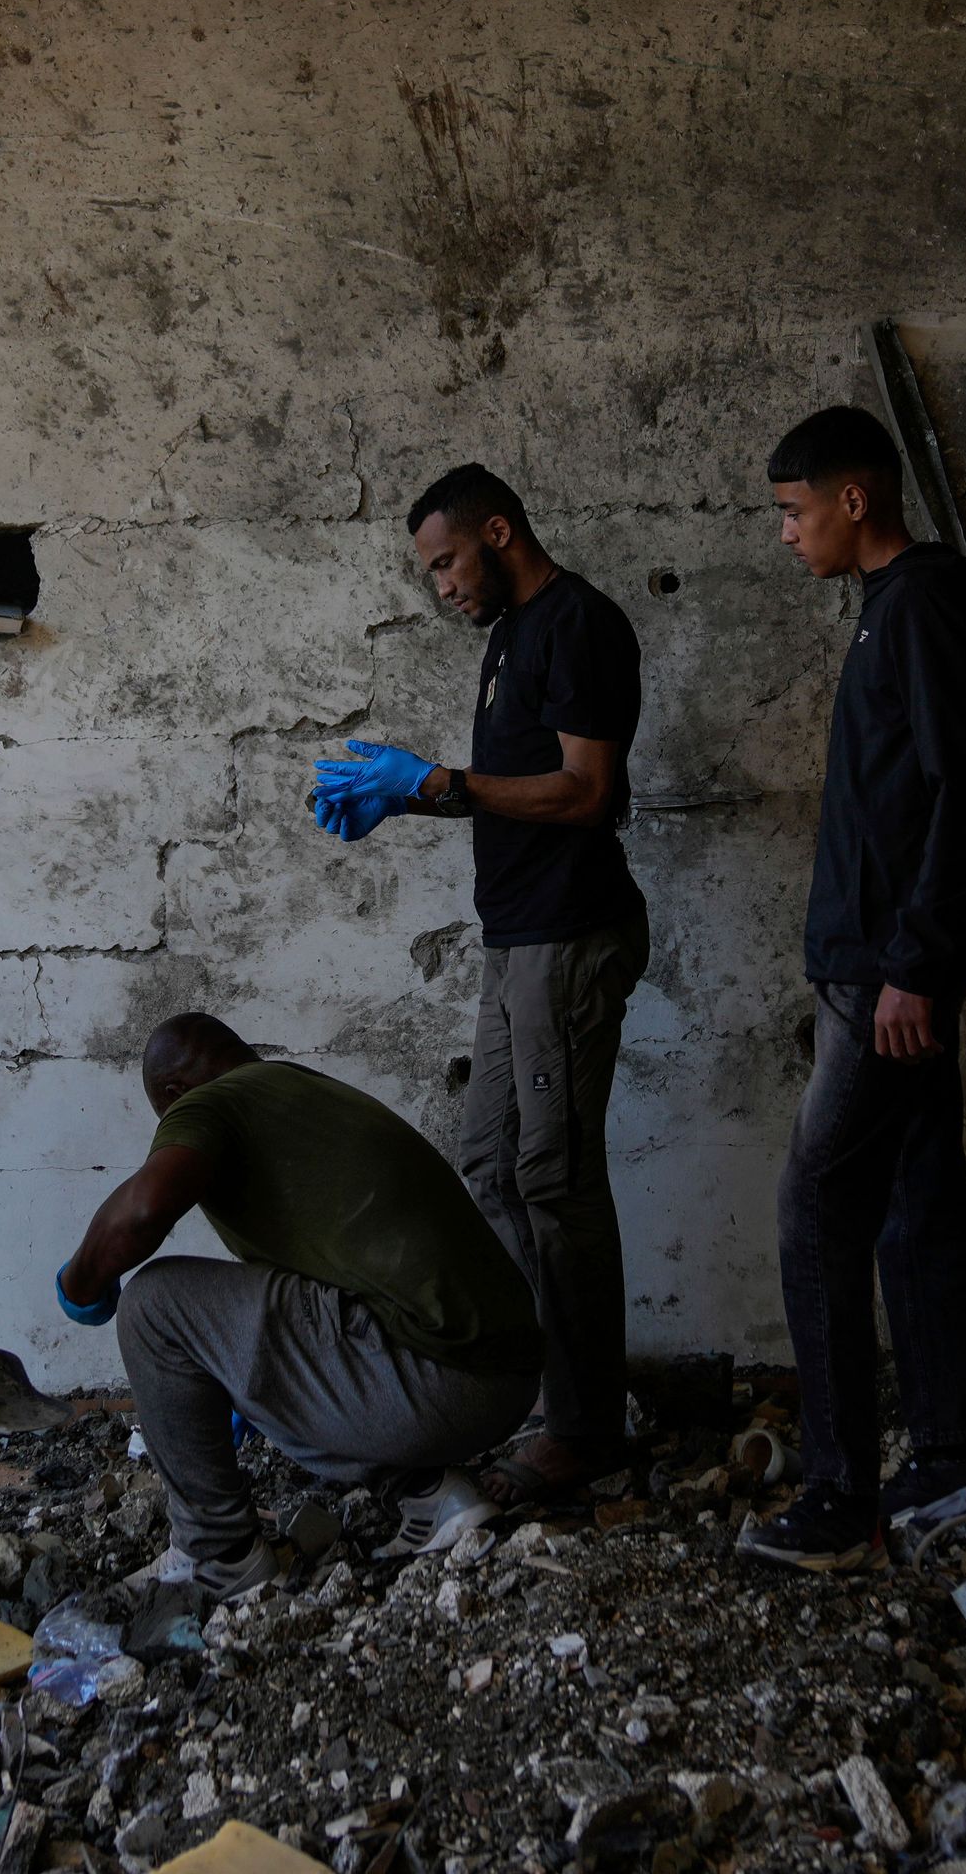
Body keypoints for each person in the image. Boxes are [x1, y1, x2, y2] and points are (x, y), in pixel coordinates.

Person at [309, 463, 648, 1510]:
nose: (442, 587)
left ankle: (586, 1429)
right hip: (519, 938)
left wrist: (440, 780)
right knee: (492, 1165)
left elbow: (587, 791)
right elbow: (514, 793)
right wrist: (409, 800)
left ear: (499, 530)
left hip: (569, 936)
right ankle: (546, 1396)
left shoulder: (577, 621)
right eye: (432, 572)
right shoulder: (507, 637)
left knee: (553, 1179)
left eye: (448, 561)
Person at [739, 405, 966, 1573]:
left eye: (795, 513)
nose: (788, 536)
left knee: (816, 1210)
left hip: (885, 978)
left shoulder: (927, 603)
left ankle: (842, 1499)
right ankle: (958, 1457)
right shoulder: (886, 613)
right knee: (914, 1203)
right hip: (871, 969)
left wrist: (914, 964)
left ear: (856, 501)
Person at [52, 1014, 542, 1596]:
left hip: (436, 1379)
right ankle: (431, 1491)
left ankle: (220, 1553)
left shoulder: (208, 1104)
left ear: (173, 1094)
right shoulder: (301, 1091)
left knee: (153, 1305)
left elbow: (139, 1215)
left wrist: (79, 1283)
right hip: (503, 1379)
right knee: (249, 1354)